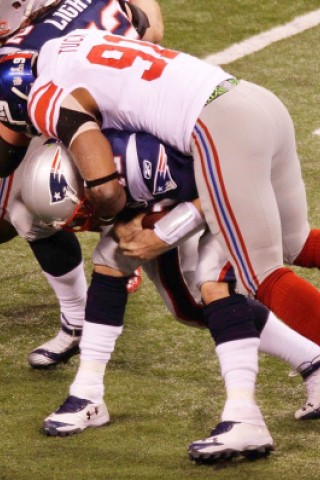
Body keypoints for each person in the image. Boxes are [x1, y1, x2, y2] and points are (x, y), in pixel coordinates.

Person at [16, 131, 320, 462]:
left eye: (85, 208)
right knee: (180, 297)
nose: (87, 220)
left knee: (220, 278)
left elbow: (224, 187)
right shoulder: (97, 154)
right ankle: (311, 362)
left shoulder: (147, 162)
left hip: (238, 177)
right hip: (196, 176)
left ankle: (246, 415)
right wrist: (129, 222)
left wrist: (163, 233)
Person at [0, 0, 163, 367]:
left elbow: (4, 155)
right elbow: (149, 28)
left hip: (132, 139)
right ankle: (78, 321)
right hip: (136, 117)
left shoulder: (24, 55)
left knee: (41, 195)